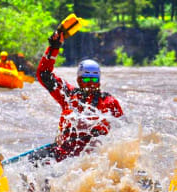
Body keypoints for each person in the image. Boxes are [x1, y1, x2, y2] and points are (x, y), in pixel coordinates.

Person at [32, 31, 123, 164]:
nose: (91, 83)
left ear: (99, 81)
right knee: (34, 160)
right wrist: (54, 47)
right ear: (79, 80)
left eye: (94, 79)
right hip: (64, 154)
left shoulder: (109, 101)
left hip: (92, 158)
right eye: (86, 79)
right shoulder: (68, 95)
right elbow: (44, 74)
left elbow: (125, 131)